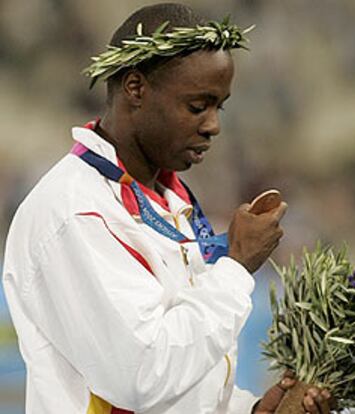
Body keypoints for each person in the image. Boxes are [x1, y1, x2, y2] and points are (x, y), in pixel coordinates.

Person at [2, 3, 333, 414]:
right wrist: (235, 267)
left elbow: (181, 380)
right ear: (136, 88)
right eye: (198, 106)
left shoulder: (170, 202)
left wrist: (248, 410)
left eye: (219, 106)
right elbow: (141, 375)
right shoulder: (75, 213)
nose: (213, 125)